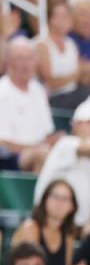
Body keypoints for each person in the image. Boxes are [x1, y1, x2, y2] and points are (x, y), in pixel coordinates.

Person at [33, 101, 90, 230]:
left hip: (77, 228)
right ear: (76, 126)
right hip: (47, 223)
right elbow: (86, 147)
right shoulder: (65, 144)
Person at [0, 38, 56, 172]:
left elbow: (47, 132)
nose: (26, 64)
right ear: (9, 63)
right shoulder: (2, 91)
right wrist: (36, 148)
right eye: (20, 59)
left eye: (29, 58)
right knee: (42, 155)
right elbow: (3, 143)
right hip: (10, 157)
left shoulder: (38, 90)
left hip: (39, 149)